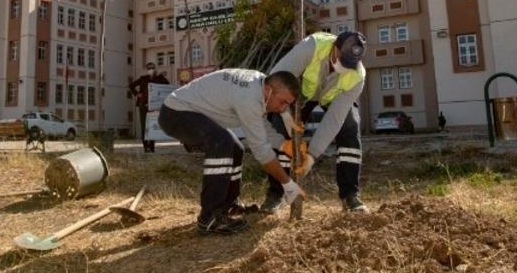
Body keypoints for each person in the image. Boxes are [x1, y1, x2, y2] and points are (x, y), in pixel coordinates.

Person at [158, 69, 303, 235]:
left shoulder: (259, 87)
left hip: (191, 112)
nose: (283, 109)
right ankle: (210, 217)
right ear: (269, 91)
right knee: (221, 142)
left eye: (287, 104)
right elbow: (261, 151)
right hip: (175, 113)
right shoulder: (249, 97)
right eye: (282, 102)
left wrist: (286, 146)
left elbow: (263, 129)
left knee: (236, 148)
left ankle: (227, 205)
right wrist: (287, 183)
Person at [265, 30, 369, 213]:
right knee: (280, 127)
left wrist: (311, 156)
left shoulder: (358, 77)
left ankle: (350, 196)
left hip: (331, 98)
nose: (344, 67)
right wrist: (287, 116)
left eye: (349, 64)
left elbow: (334, 119)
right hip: (302, 94)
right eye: (342, 59)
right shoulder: (312, 47)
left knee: (350, 127)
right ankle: (276, 194)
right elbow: (275, 80)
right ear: (334, 48)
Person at [128, 62, 169, 152]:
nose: (151, 69)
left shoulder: (159, 78)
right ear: (147, 69)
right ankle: (145, 147)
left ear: (155, 68)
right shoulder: (143, 78)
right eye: (149, 68)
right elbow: (131, 86)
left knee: (153, 125)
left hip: (153, 106)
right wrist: (137, 94)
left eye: (152, 68)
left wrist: (161, 76)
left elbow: (167, 85)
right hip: (143, 106)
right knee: (144, 126)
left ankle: (152, 146)